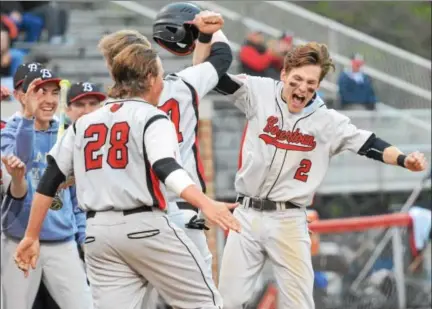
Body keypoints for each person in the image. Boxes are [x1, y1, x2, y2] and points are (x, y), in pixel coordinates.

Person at [196, 41, 427, 309]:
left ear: (318, 87)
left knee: (299, 305)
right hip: (246, 215)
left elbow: (369, 143)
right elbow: (211, 78)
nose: (303, 87)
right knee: (229, 301)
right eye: (297, 79)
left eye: (311, 83)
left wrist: (403, 159)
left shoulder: (326, 120)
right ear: (283, 74)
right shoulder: (259, 91)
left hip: (289, 220)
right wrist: (204, 40)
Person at [13, 43, 240, 309]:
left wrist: (31, 236)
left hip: (98, 235)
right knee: (205, 303)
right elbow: (165, 166)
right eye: (160, 75)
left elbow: (50, 178)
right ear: (150, 78)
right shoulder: (153, 116)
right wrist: (205, 203)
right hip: (145, 226)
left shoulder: (85, 122)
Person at [99, 6, 232, 307]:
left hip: (133, 214)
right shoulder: (180, 85)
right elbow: (221, 59)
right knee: (201, 297)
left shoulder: (108, 110)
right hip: (182, 206)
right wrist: (208, 26)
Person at [0, 68, 93, 309]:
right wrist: (28, 119)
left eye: (54, 92)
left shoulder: (66, 134)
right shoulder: (8, 131)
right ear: (22, 95)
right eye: (40, 92)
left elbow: (74, 197)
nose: (49, 99)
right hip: (18, 240)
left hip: (62, 241)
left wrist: (82, 237)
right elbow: (21, 161)